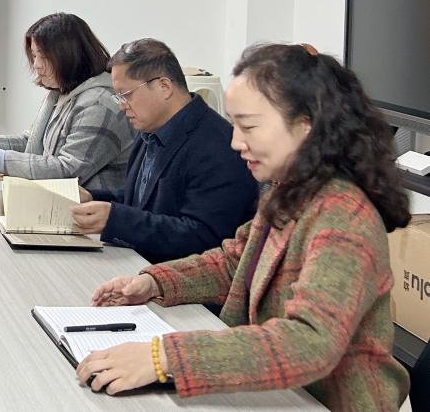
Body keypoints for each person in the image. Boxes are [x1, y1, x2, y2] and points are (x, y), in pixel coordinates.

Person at [76, 43, 411, 410]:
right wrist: (155, 282)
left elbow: (310, 341)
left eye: (248, 126)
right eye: (235, 125)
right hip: (280, 393)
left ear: (305, 126)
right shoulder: (289, 189)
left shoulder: (343, 215)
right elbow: (235, 261)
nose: (235, 142)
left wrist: (164, 358)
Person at [70, 39, 257, 262]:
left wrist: (116, 220)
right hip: (139, 262)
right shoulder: (150, 128)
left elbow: (202, 237)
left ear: (164, 86)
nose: (121, 105)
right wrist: (93, 197)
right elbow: (142, 200)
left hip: (180, 275)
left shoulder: (218, 145)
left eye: (126, 94)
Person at [0, 12, 133, 188]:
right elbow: (31, 142)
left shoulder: (98, 104)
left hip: (82, 205)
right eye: (34, 55)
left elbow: (67, 171)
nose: (36, 65)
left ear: (70, 56)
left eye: (44, 57)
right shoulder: (60, 92)